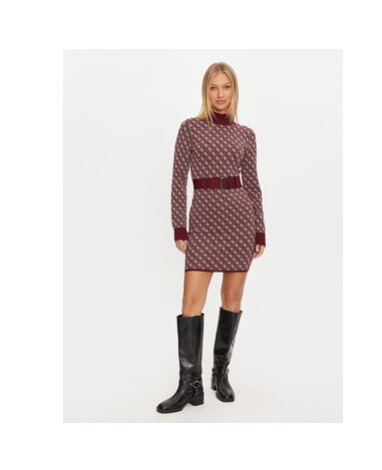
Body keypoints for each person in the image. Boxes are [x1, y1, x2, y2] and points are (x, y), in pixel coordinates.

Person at [156, 62, 266, 414]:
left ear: (234, 91)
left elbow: (252, 184)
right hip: (203, 220)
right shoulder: (190, 128)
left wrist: (259, 228)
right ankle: (190, 385)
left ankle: (220, 375)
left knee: (231, 299)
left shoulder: (246, 134)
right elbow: (178, 179)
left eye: (226, 87)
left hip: (239, 220)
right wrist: (179, 226)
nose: (220, 94)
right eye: (214, 87)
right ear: (206, 91)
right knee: (191, 301)